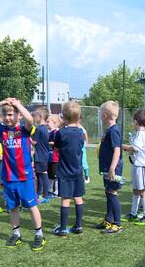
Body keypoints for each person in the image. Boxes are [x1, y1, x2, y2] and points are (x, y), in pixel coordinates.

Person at [0, 98, 46, 251]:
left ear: (19, 115)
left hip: (25, 177)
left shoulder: (24, 129)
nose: (8, 118)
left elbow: (30, 119)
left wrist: (17, 105)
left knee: (32, 206)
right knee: (13, 207)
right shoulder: (2, 130)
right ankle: (16, 234)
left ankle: (39, 235)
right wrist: (0, 103)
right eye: (6, 115)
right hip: (9, 178)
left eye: (11, 114)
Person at [51, 101, 85, 237]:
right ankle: (78, 226)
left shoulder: (60, 133)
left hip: (64, 172)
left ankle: (63, 228)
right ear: (78, 117)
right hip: (77, 171)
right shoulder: (80, 132)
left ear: (63, 117)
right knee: (78, 198)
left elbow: (56, 148)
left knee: (65, 199)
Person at [96, 101, 124, 234]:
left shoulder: (113, 131)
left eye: (101, 114)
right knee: (108, 192)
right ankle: (109, 219)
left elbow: (117, 150)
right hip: (107, 167)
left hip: (112, 168)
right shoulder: (110, 130)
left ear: (105, 115)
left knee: (112, 193)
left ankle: (117, 224)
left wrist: (112, 168)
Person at [122, 110, 145, 225]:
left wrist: (122, 146)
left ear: (136, 122)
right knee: (135, 191)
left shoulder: (141, 134)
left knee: (142, 191)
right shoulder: (139, 133)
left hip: (141, 167)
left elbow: (135, 148)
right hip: (136, 166)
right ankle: (133, 214)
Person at [32, 106, 50, 203]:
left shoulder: (39, 129)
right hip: (42, 155)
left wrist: (26, 137)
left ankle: (45, 195)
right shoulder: (44, 128)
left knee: (43, 174)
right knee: (39, 174)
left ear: (41, 116)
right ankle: (38, 193)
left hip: (40, 155)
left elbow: (34, 142)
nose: (34, 118)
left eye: (35, 116)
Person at [47, 114, 61, 198]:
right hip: (50, 157)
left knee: (55, 175)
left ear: (54, 123)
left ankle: (57, 191)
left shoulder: (56, 133)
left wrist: (45, 143)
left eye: (48, 121)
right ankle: (49, 190)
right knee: (50, 174)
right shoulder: (50, 132)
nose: (47, 123)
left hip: (55, 158)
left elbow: (56, 143)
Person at [79, 119, 90, 184]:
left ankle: (87, 176)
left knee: (83, 163)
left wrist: (86, 141)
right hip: (76, 147)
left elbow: (85, 133)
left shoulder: (80, 127)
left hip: (81, 147)